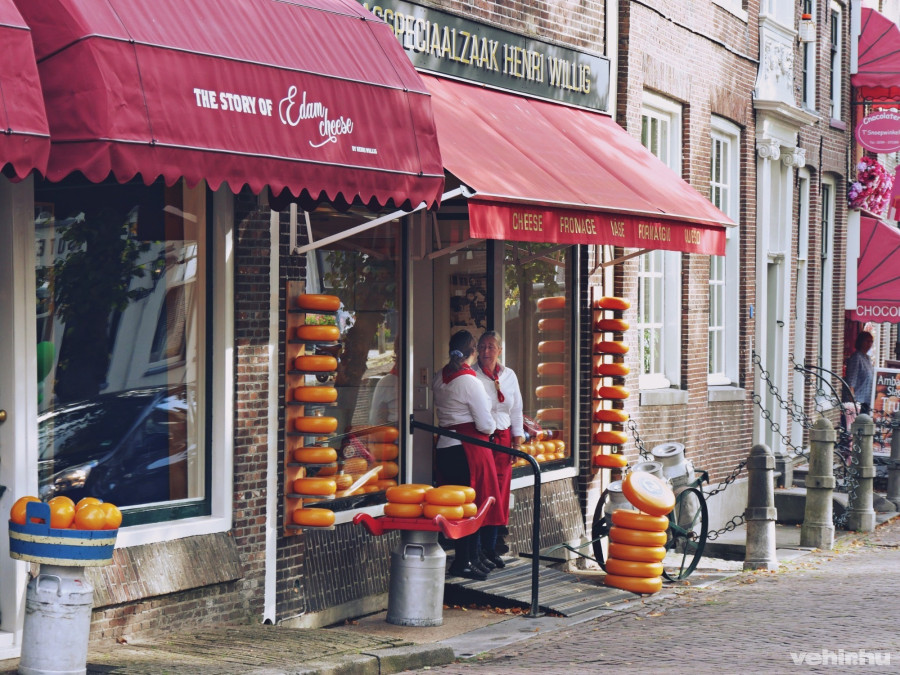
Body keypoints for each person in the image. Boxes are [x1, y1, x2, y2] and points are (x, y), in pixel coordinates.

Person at [432, 329, 498, 580]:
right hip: (468, 449)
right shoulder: (471, 382)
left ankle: (467, 557)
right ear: (472, 353)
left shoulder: (440, 377)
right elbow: (486, 424)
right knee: (471, 505)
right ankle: (465, 560)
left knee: (455, 507)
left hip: (445, 447)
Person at [475, 331, 525, 569]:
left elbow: (516, 409)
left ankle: (491, 546)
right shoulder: (472, 375)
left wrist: (517, 440)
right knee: (482, 493)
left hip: (503, 439)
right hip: (481, 438)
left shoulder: (509, 375)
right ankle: (477, 549)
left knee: (500, 493)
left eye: (491, 347)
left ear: (499, 350)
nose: (486, 352)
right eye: (482, 347)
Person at [845, 331, 875, 415]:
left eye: (871, 341)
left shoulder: (868, 358)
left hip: (867, 400)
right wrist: (853, 403)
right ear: (861, 341)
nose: (869, 344)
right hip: (859, 401)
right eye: (867, 341)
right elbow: (851, 380)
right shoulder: (856, 357)